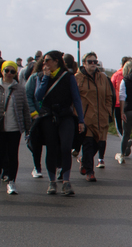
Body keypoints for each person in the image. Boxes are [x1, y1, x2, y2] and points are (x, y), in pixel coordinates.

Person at [35, 50, 85, 195]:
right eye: (44, 60)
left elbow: (76, 99)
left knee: (66, 147)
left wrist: (81, 120)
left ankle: (66, 181)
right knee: (51, 148)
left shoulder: (68, 76)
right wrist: (45, 78)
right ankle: (52, 182)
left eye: (47, 60)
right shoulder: (41, 76)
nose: (44, 63)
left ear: (56, 61)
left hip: (65, 116)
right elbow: (38, 96)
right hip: (49, 116)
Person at [75, 52, 114, 181]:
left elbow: (109, 96)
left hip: (101, 117)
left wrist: (108, 111)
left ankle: (84, 160)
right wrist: (78, 116)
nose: (93, 64)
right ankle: (90, 172)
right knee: (88, 144)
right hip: (87, 118)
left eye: (95, 62)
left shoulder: (103, 77)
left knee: (100, 144)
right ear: (84, 63)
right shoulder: (78, 78)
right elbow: (74, 99)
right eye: (90, 62)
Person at [1, 61, 33, 194]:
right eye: (6, 70)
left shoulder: (19, 89)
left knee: (13, 155)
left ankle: (11, 181)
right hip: (1, 128)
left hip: (14, 128)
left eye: (12, 71)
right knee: (2, 154)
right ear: (2, 71)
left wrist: (28, 128)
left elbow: (25, 109)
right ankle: (5, 172)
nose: (9, 73)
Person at [23, 61, 44, 178]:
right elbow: (27, 96)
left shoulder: (57, 77)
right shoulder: (34, 78)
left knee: (55, 143)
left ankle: (58, 166)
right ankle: (37, 167)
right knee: (36, 144)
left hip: (50, 116)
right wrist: (33, 113)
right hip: (36, 116)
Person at [111, 56, 132, 151]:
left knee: (119, 125)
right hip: (129, 103)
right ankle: (127, 139)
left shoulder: (116, 75)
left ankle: (125, 140)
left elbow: (111, 88)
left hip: (118, 103)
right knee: (127, 124)